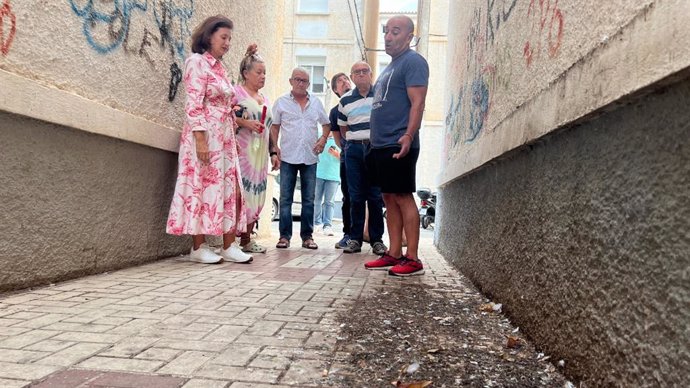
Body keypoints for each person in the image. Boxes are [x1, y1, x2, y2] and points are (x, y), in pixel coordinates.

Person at [166, 16, 252, 264]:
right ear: (208, 36)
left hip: (224, 137)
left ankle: (228, 245)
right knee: (199, 186)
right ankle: (198, 246)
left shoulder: (220, 69)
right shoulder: (196, 63)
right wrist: (201, 140)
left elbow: (226, 102)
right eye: (223, 37)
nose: (227, 43)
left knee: (229, 188)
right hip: (204, 136)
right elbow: (193, 105)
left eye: (229, 39)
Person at [364, 15, 429, 276]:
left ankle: (412, 258)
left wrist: (409, 135)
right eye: (386, 31)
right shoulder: (390, 67)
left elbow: (418, 102)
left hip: (399, 141)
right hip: (381, 144)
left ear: (409, 37)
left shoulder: (413, 62)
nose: (388, 37)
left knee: (402, 195)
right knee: (389, 197)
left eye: (396, 31)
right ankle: (394, 253)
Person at [270, 68, 331, 250]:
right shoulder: (281, 103)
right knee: (286, 198)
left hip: (310, 157)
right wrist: (275, 148)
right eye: (298, 79)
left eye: (305, 80)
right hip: (288, 156)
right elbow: (274, 128)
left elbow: (327, 125)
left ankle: (307, 237)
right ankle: (284, 237)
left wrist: (322, 140)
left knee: (309, 200)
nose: (301, 83)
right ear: (291, 81)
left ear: (309, 84)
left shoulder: (316, 103)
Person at [338, 61, 387, 256]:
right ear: (352, 77)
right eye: (356, 72)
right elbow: (343, 128)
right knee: (355, 196)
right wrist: (354, 143)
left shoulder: (382, 95)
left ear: (371, 74)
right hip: (354, 151)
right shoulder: (345, 101)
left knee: (375, 196)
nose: (361, 75)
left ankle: (377, 240)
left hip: (375, 149)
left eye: (364, 71)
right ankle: (355, 239)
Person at [232, 44, 276, 254]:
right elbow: (225, 115)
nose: (263, 76)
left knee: (257, 196)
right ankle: (230, 240)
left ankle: (247, 239)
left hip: (260, 156)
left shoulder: (265, 99)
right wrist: (245, 123)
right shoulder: (236, 93)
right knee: (239, 194)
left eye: (265, 72)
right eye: (258, 72)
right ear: (245, 73)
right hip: (242, 152)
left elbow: (269, 130)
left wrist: (274, 152)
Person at [328, 73, 353, 248]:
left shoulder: (367, 102)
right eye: (340, 81)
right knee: (348, 197)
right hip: (348, 158)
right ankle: (348, 234)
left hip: (370, 155)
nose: (345, 82)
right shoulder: (335, 112)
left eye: (346, 79)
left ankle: (376, 238)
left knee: (373, 197)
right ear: (336, 90)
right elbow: (338, 140)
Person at [314, 134, 341, 236]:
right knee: (316, 200)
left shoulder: (339, 140)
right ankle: (317, 224)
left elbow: (344, 157)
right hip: (318, 174)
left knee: (329, 202)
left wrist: (336, 154)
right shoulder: (320, 137)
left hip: (333, 176)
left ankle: (327, 226)